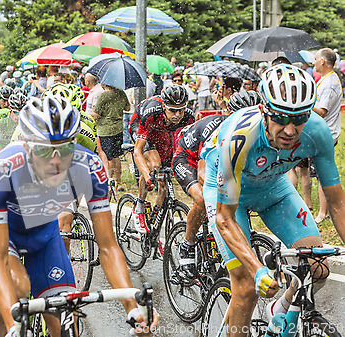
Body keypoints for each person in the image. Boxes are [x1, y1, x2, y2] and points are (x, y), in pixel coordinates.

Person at [0, 95, 159, 337]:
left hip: (43, 234)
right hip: (4, 234)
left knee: (66, 319)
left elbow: (107, 246)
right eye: (44, 150)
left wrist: (133, 309)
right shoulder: (1, 171)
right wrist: (14, 327)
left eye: (65, 148)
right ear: (26, 144)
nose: (56, 160)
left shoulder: (89, 166)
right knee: (17, 288)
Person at [201, 64, 345, 336]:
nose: (290, 130)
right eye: (280, 117)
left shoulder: (318, 132)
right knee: (245, 287)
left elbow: (337, 202)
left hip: (273, 188)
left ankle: (279, 313)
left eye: (300, 117)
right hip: (230, 198)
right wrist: (257, 271)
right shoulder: (240, 137)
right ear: (263, 110)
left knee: (318, 269)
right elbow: (224, 218)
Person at [172, 91, 260, 276]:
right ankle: (187, 246)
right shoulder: (220, 131)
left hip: (210, 162)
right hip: (188, 157)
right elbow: (204, 175)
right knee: (203, 198)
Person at [129, 85, 194, 233]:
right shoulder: (152, 111)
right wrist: (147, 175)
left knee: (164, 179)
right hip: (141, 124)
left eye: (181, 110)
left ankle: (154, 222)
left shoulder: (188, 117)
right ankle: (139, 206)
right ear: (164, 106)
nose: (178, 114)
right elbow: (137, 151)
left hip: (163, 130)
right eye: (172, 110)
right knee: (155, 164)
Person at [312, 48, 343, 224]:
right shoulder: (325, 80)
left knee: (323, 174)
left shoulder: (331, 83)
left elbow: (322, 111)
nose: (314, 62)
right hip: (322, 132)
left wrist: (305, 104)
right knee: (318, 174)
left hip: (326, 134)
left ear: (323, 61)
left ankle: (323, 213)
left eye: (316, 59)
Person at [93, 84, 129, 190]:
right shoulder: (121, 93)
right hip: (118, 129)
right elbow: (127, 108)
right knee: (116, 156)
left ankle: (108, 182)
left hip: (105, 130)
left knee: (106, 157)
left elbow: (96, 115)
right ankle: (118, 182)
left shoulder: (104, 96)